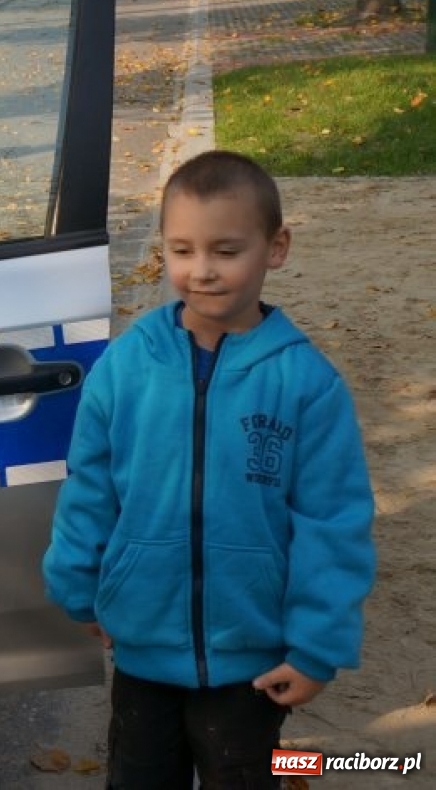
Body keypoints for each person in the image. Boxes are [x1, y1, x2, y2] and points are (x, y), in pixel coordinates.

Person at [42, 150, 375, 789]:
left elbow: (333, 523)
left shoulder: (306, 383)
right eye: (182, 250)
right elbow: (90, 485)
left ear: (276, 248)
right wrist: (77, 582)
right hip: (142, 649)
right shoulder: (126, 366)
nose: (202, 270)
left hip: (251, 660)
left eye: (226, 250)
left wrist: (317, 648)